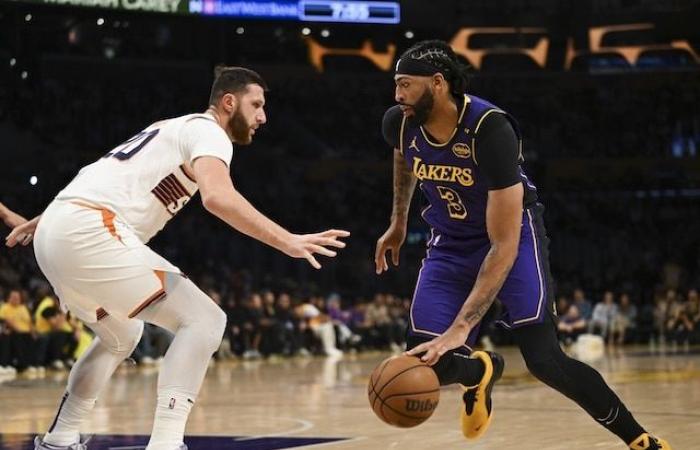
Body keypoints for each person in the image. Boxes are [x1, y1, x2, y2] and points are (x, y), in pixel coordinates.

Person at [6, 66, 349, 450]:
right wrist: (287, 240)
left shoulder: (171, 128)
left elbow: (106, 174)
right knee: (205, 320)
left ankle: (59, 439)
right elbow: (217, 197)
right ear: (228, 102)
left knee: (123, 334)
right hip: (86, 229)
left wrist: (47, 221)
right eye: (257, 105)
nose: (263, 117)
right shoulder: (209, 132)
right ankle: (167, 444)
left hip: (59, 228)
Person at [374, 40, 670, 449]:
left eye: (405, 85)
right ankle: (480, 372)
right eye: (396, 85)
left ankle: (639, 439)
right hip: (449, 244)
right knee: (425, 359)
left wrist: (462, 328)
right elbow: (404, 156)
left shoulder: (490, 129)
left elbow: (503, 245)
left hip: (510, 239)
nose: (397, 96)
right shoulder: (400, 122)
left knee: (545, 360)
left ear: (438, 84)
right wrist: (399, 220)